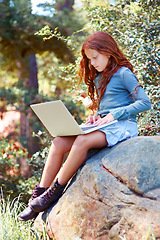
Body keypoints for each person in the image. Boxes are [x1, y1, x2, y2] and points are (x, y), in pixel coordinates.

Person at [19, 31, 151, 221]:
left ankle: (53, 193)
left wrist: (115, 114)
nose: (92, 63)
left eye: (95, 57)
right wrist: (97, 117)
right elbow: (107, 108)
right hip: (106, 126)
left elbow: (145, 103)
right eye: (89, 59)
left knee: (81, 141)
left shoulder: (124, 73)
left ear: (108, 52)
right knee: (58, 141)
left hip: (122, 126)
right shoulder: (100, 78)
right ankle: (38, 196)